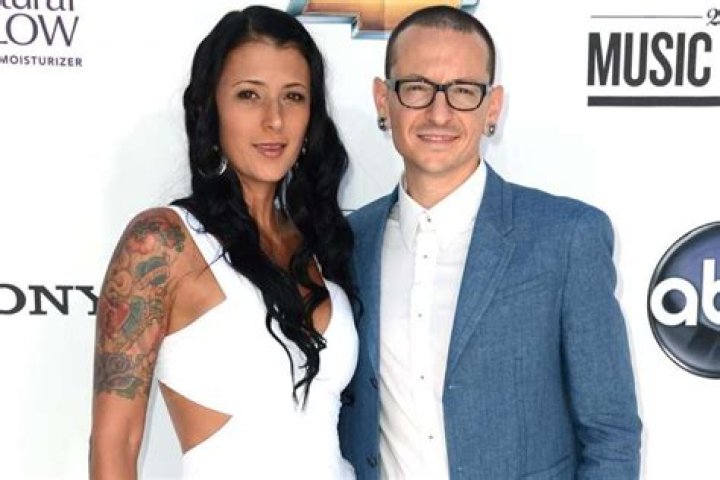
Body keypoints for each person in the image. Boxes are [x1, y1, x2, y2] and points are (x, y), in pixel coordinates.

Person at [339, 6, 641, 479]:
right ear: (384, 99)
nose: (439, 113)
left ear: (492, 107)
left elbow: (611, 435)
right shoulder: (349, 242)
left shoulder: (566, 238)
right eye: (416, 87)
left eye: (463, 91)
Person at [89, 6, 358, 479]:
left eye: (293, 96)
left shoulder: (319, 241)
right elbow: (115, 444)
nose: (274, 120)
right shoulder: (162, 243)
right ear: (211, 110)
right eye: (249, 95)